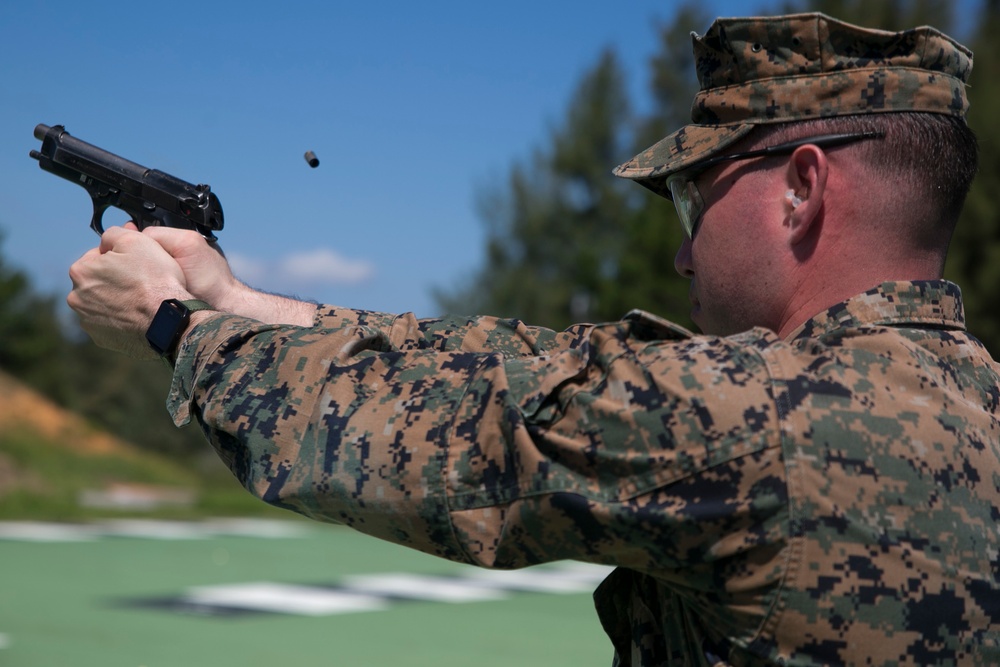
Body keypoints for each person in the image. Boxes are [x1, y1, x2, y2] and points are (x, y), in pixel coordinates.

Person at [66, 12, 999, 667]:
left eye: (693, 193)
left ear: (802, 187)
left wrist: (172, 326)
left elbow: (419, 441)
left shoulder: (756, 418)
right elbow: (524, 369)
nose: (683, 251)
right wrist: (232, 296)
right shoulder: (970, 402)